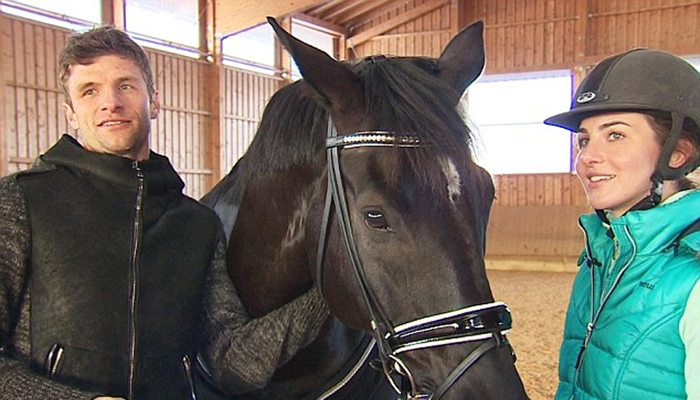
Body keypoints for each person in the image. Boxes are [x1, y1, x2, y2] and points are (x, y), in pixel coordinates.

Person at [0, 26, 328, 400]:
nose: (110, 102)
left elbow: (233, 362)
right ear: (70, 114)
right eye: (90, 91)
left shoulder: (196, 225)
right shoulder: (22, 200)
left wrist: (326, 295)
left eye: (125, 85)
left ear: (154, 101)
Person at [544, 48, 700, 400]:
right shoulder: (601, 258)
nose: (587, 157)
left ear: (677, 154)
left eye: (615, 135)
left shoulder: (694, 276)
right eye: (584, 140)